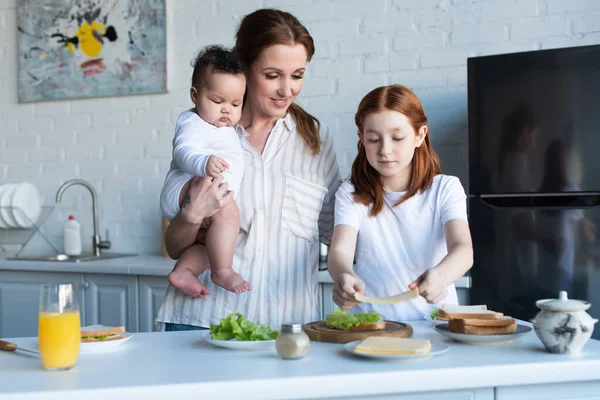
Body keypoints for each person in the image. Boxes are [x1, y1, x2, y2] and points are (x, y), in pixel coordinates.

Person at [155, 9, 341, 331]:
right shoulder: (207, 132)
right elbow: (174, 246)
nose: (287, 90)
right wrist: (191, 213)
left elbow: (338, 232)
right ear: (244, 68)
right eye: (272, 75)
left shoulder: (315, 141)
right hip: (203, 321)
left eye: (297, 75)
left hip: (284, 325)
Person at [327, 84, 473, 321]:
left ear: (420, 135)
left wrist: (441, 276)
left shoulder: (445, 188)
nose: (385, 150)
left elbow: (463, 249)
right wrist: (343, 274)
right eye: (374, 139)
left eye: (397, 138)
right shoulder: (350, 192)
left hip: (435, 322)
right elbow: (340, 250)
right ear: (362, 139)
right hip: (371, 322)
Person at [159, 45, 251, 296]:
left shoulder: (227, 129)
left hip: (202, 197)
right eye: (217, 101)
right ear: (194, 95)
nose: (226, 110)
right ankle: (223, 271)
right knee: (229, 210)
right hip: (187, 186)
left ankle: (184, 272)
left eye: (235, 103)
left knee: (207, 245)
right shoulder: (194, 122)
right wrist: (203, 163)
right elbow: (183, 150)